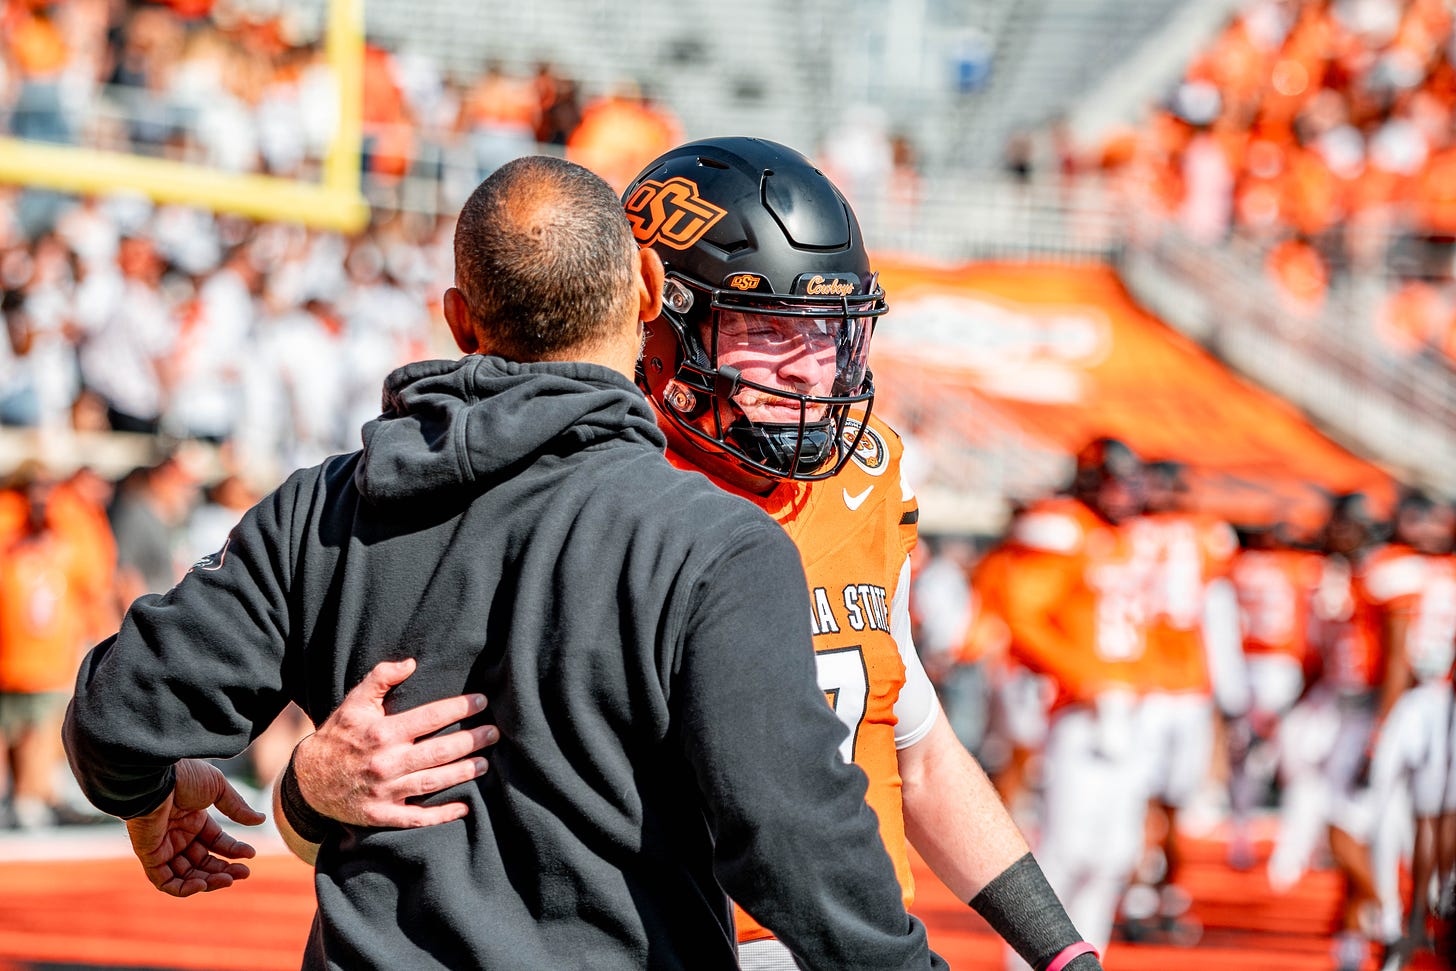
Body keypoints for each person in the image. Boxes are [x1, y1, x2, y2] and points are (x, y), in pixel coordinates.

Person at [63, 155, 940, 971]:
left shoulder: (321, 508)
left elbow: (113, 719)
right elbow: (802, 857)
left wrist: (146, 794)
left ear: (459, 320)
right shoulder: (717, 543)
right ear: (646, 291)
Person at [277, 138, 1102, 971]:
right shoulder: (586, 493)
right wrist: (306, 794)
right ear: (655, 317)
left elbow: (912, 742)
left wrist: (1059, 949)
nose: (813, 371)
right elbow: (443, 783)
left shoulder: (867, 473)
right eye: (765, 329)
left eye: (828, 329)